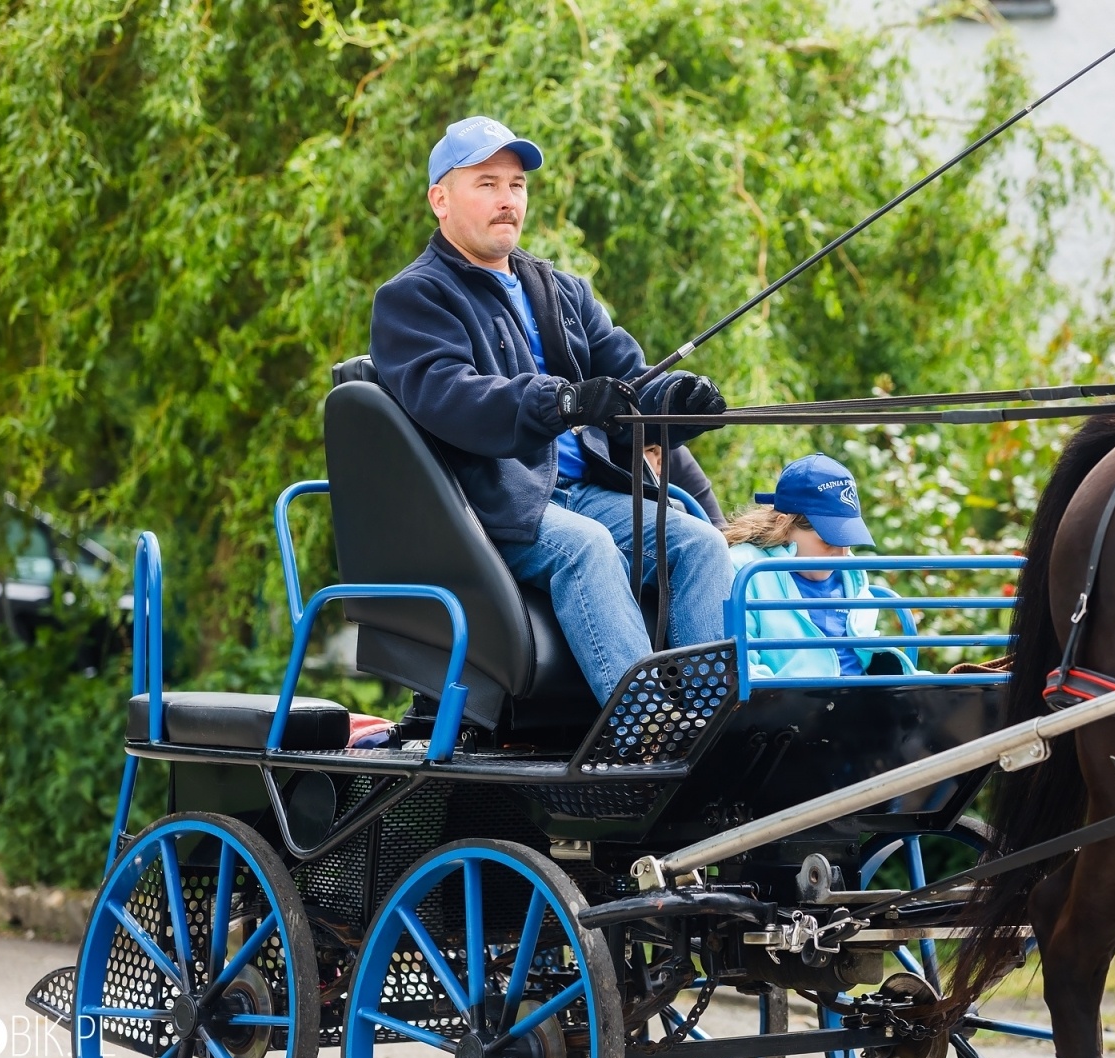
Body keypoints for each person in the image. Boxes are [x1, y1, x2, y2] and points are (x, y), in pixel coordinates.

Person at [369, 116, 735, 705]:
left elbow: (629, 378)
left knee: (699, 543)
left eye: (516, 185)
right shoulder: (414, 297)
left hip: (583, 491)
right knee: (585, 546)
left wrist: (675, 403)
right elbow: (451, 395)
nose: (507, 200)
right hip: (489, 503)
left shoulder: (560, 290)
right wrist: (560, 399)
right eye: (486, 184)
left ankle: (712, 719)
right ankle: (645, 730)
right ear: (440, 199)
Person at [725, 454, 916, 679]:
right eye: (828, 540)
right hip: (794, 705)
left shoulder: (851, 572)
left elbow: (864, 653)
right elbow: (743, 670)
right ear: (783, 526)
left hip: (861, 699)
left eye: (847, 540)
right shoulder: (744, 569)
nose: (842, 554)